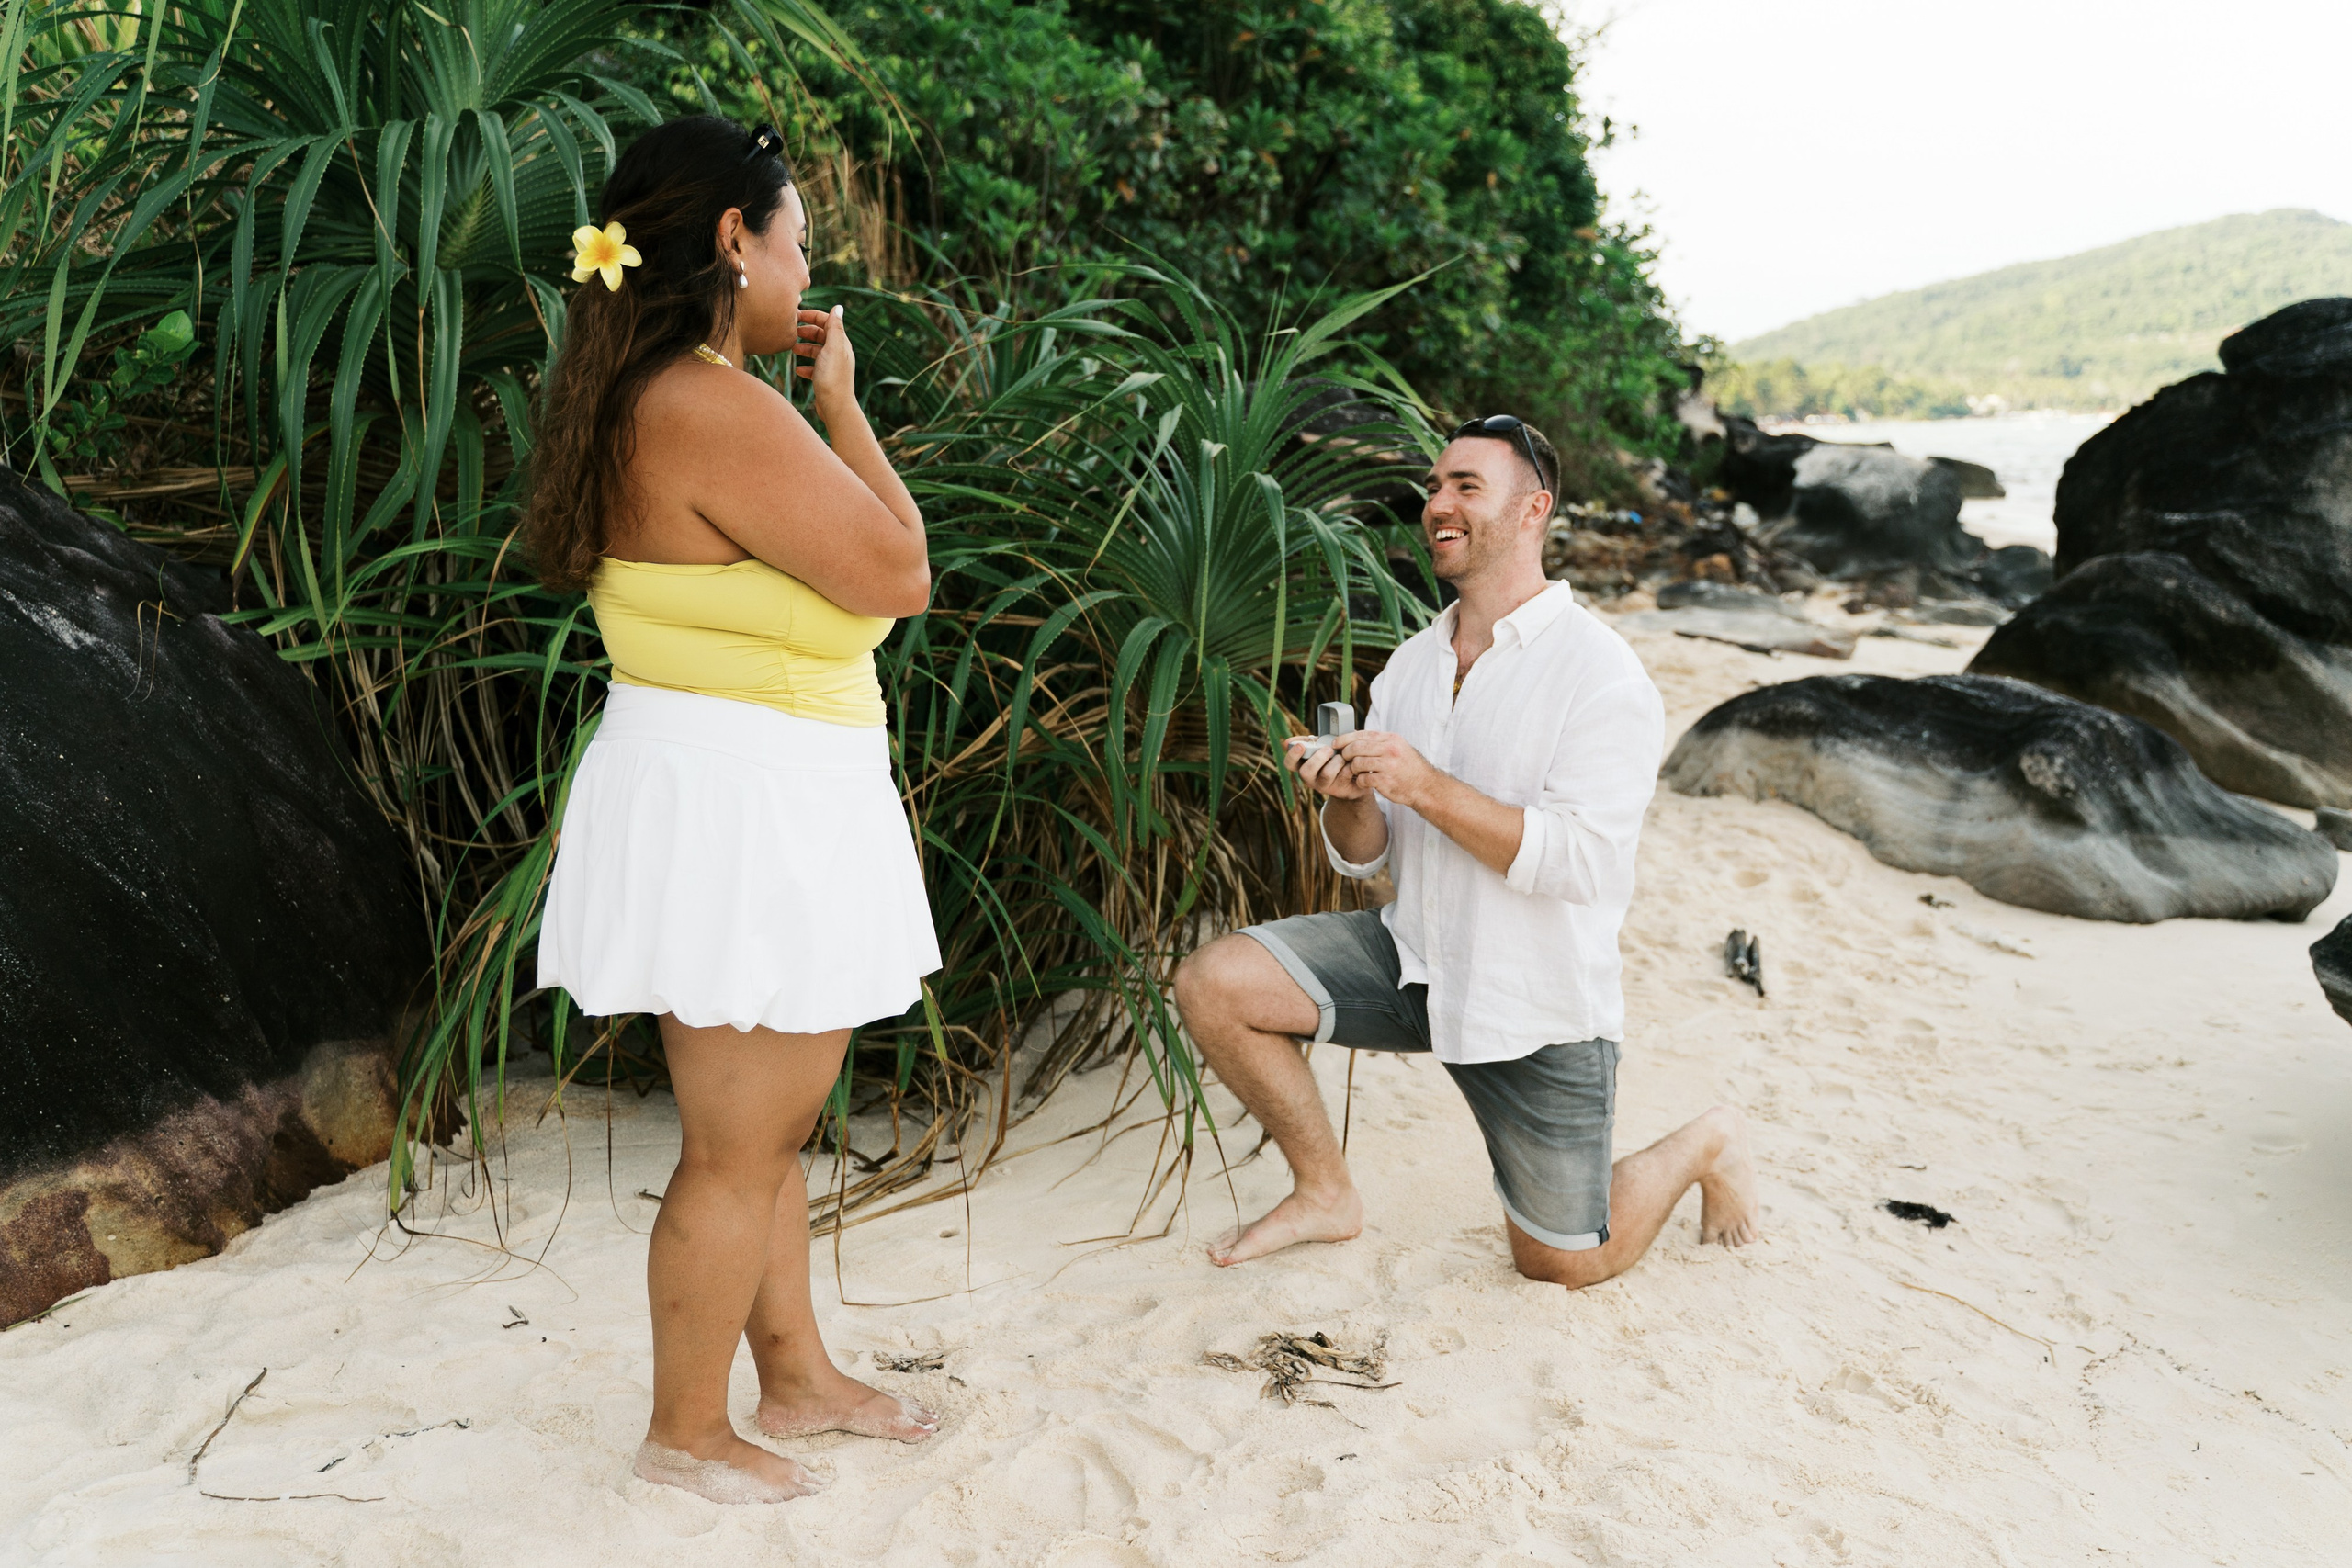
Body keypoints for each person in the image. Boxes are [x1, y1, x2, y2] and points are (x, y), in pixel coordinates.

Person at [529, 117, 942, 1505]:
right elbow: (896, 568)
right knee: (739, 1140)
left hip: (722, 787)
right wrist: (844, 406)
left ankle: (800, 1376)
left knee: (760, 1127)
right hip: (747, 803)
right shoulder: (714, 401)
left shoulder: (643, 389)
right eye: (799, 241)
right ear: (731, 241)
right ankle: (685, 1428)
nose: (806, 269)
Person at [1172, 414, 1759, 1287]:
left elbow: (1584, 863)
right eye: (1435, 487)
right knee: (1212, 983)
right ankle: (1326, 1192)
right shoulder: (1408, 666)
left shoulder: (1602, 673)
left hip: (1535, 1003)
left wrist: (1425, 784)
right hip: (1416, 959)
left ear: (1534, 510)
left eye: (1467, 487)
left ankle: (1709, 1138)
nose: (1438, 503)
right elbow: (1365, 856)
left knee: (1563, 1262)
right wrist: (1353, 800)